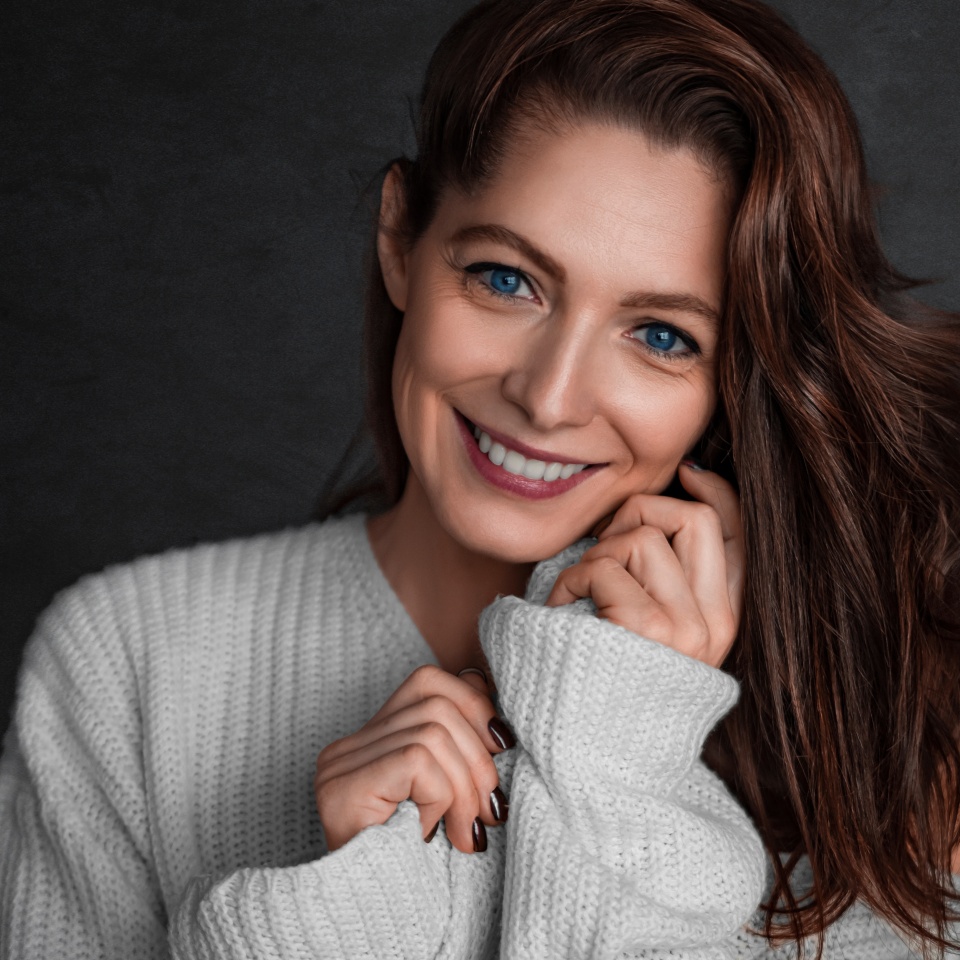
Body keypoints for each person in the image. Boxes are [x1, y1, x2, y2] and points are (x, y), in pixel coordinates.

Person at [2, 0, 959, 956]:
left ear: (734, 380)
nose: (549, 397)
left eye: (662, 336)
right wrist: (350, 911)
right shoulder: (130, 663)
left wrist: (625, 752)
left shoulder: (878, 725)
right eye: (507, 279)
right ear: (400, 240)